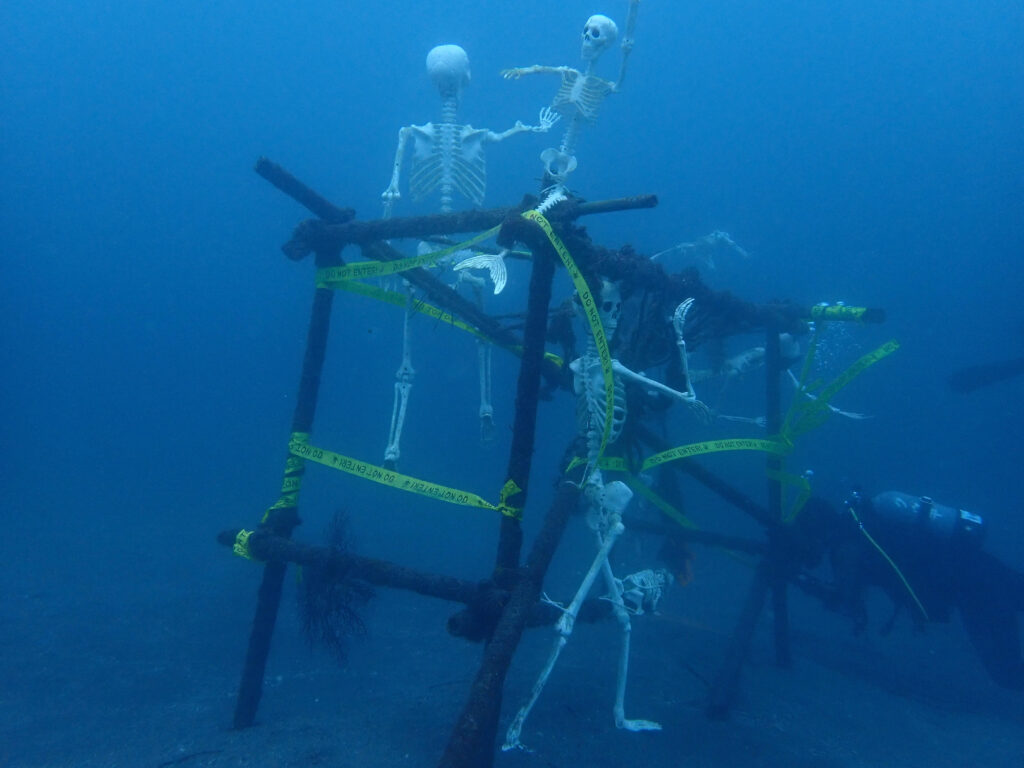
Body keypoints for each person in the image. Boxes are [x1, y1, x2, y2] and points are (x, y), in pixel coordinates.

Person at [791, 490, 1024, 690]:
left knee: (1007, 674)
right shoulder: (865, 525)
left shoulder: (848, 548)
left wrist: (799, 579)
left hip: (975, 592)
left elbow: (845, 602)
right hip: (980, 569)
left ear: (818, 531)